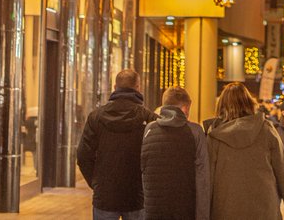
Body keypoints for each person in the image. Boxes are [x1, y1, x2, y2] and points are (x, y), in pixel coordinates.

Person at [207, 83, 284, 220]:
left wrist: (203, 211)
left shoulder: (214, 135)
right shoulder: (266, 128)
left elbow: (208, 177)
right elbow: (282, 168)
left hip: (226, 207)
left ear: (221, 106)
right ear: (249, 103)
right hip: (264, 207)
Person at [78, 69, 157, 220]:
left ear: (115, 87)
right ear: (138, 88)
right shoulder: (147, 118)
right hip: (136, 195)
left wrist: (96, 183)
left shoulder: (96, 117)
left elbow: (83, 156)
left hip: (105, 196)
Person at [140, 87, 210, 220]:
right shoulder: (195, 131)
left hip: (153, 210)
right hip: (184, 210)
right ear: (185, 109)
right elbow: (202, 179)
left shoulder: (149, 129)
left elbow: (144, 171)